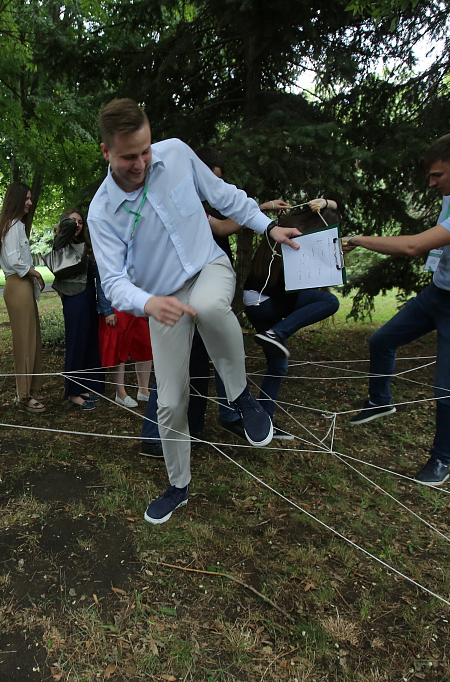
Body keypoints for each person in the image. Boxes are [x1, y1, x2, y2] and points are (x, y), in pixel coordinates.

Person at [88, 98, 302, 524]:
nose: (141, 162)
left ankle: (241, 397)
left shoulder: (179, 154)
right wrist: (148, 302)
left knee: (207, 306)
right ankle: (178, 485)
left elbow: (225, 197)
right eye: (129, 155)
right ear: (106, 152)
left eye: (145, 150)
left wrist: (268, 227)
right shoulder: (102, 213)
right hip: (163, 302)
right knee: (168, 403)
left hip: (209, 268)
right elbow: (112, 282)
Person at [345, 133, 450, 486]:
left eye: (437, 175)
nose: (432, 182)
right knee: (381, 340)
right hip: (439, 294)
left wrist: (356, 239)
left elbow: (414, 246)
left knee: (447, 387)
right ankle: (380, 401)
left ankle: (441, 461)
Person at [218, 200, 341, 436]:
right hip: (267, 301)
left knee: (278, 364)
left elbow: (337, 207)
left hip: (261, 299)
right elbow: (287, 281)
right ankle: (275, 333)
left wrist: (327, 202)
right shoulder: (295, 234)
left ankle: (265, 424)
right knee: (330, 301)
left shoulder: (290, 226)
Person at [0, 182, 47, 412]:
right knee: (24, 340)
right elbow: (16, 260)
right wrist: (35, 272)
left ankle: (30, 389)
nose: (29, 202)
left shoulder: (16, 226)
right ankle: (23, 395)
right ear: (16, 199)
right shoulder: (13, 226)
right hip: (17, 285)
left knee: (32, 338)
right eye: (26, 198)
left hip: (23, 285)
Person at [51, 208, 104, 409]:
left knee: (88, 342)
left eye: (80, 222)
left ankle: (85, 387)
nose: (77, 225)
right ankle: (73, 393)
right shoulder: (62, 242)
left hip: (89, 297)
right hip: (74, 298)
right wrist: (68, 224)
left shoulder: (85, 244)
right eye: (73, 221)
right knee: (76, 342)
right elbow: (60, 239)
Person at [95, 272, 153, 408]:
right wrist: (108, 310)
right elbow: (102, 283)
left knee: (145, 345)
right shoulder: (107, 252)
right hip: (115, 307)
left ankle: (143, 390)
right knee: (118, 350)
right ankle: (120, 393)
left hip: (135, 305)